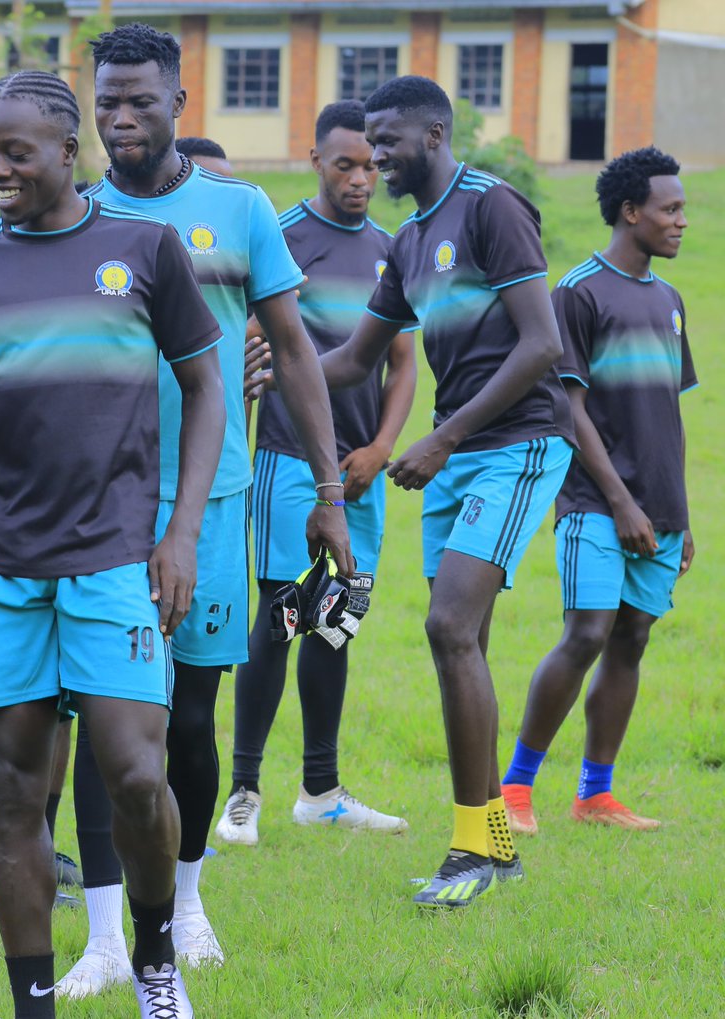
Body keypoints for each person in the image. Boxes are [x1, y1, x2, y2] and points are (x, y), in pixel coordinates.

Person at [0, 69, 226, 1019]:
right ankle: (34, 1006)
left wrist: (180, 531)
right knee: (14, 790)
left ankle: (153, 958)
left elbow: (209, 387)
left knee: (139, 773)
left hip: (115, 558)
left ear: (69, 152)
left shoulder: (143, 248)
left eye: (15, 152)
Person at [60, 23, 352, 995]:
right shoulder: (71, 211)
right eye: (107, 101)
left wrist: (327, 486)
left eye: (141, 99)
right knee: (103, 723)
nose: (122, 117)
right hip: (95, 513)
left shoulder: (238, 209)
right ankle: (105, 935)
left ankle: (184, 898)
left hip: (213, 504)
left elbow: (293, 351)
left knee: (189, 721)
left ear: (181, 103)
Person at [316, 76, 576, 908]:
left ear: (434, 133)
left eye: (388, 139)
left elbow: (541, 346)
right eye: (367, 141)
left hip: (516, 445)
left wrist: (442, 435)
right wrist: (251, 373)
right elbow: (355, 358)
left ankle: (472, 851)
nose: (375, 154)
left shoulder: (491, 207)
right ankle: (493, 844)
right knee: (459, 642)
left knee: (448, 624)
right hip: (457, 456)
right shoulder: (410, 238)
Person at [216, 100, 417, 847]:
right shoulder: (284, 238)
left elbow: (402, 363)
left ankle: (321, 790)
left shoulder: (391, 249)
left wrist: (380, 449)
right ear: (316, 160)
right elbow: (251, 355)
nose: (362, 178)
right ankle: (242, 793)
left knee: (338, 624)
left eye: (371, 165)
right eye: (346, 165)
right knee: (282, 617)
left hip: (360, 477)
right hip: (290, 465)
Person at [500, 147, 695, 835]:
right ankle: (516, 789)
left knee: (632, 637)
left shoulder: (669, 300)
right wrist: (622, 502)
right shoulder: (578, 291)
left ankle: (595, 794)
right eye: (670, 209)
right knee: (585, 632)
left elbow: (669, 412)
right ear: (630, 211)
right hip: (595, 504)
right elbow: (569, 410)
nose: (681, 222)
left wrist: (680, 514)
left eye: (682, 209)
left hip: (658, 510)